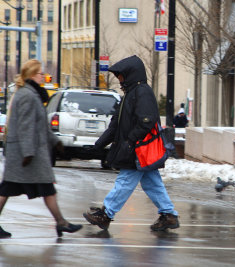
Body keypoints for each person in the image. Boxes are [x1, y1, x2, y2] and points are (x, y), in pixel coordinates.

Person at [82, 55, 179, 232]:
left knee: (125, 181)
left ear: (130, 74)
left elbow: (147, 121)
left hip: (138, 149)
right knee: (151, 183)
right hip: (136, 148)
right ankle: (169, 215)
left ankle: (106, 214)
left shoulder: (142, 92)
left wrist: (130, 141)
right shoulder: (130, 94)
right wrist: (98, 145)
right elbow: (115, 124)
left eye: (121, 75)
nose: (119, 79)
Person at [0, 59, 82, 238]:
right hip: (27, 154)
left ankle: (61, 222)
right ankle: (61, 223)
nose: (43, 76)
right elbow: (26, 126)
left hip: (29, 153)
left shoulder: (30, 94)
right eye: (40, 74)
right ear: (31, 75)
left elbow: (40, 126)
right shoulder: (28, 96)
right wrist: (28, 152)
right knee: (9, 189)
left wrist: (55, 141)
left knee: (44, 189)